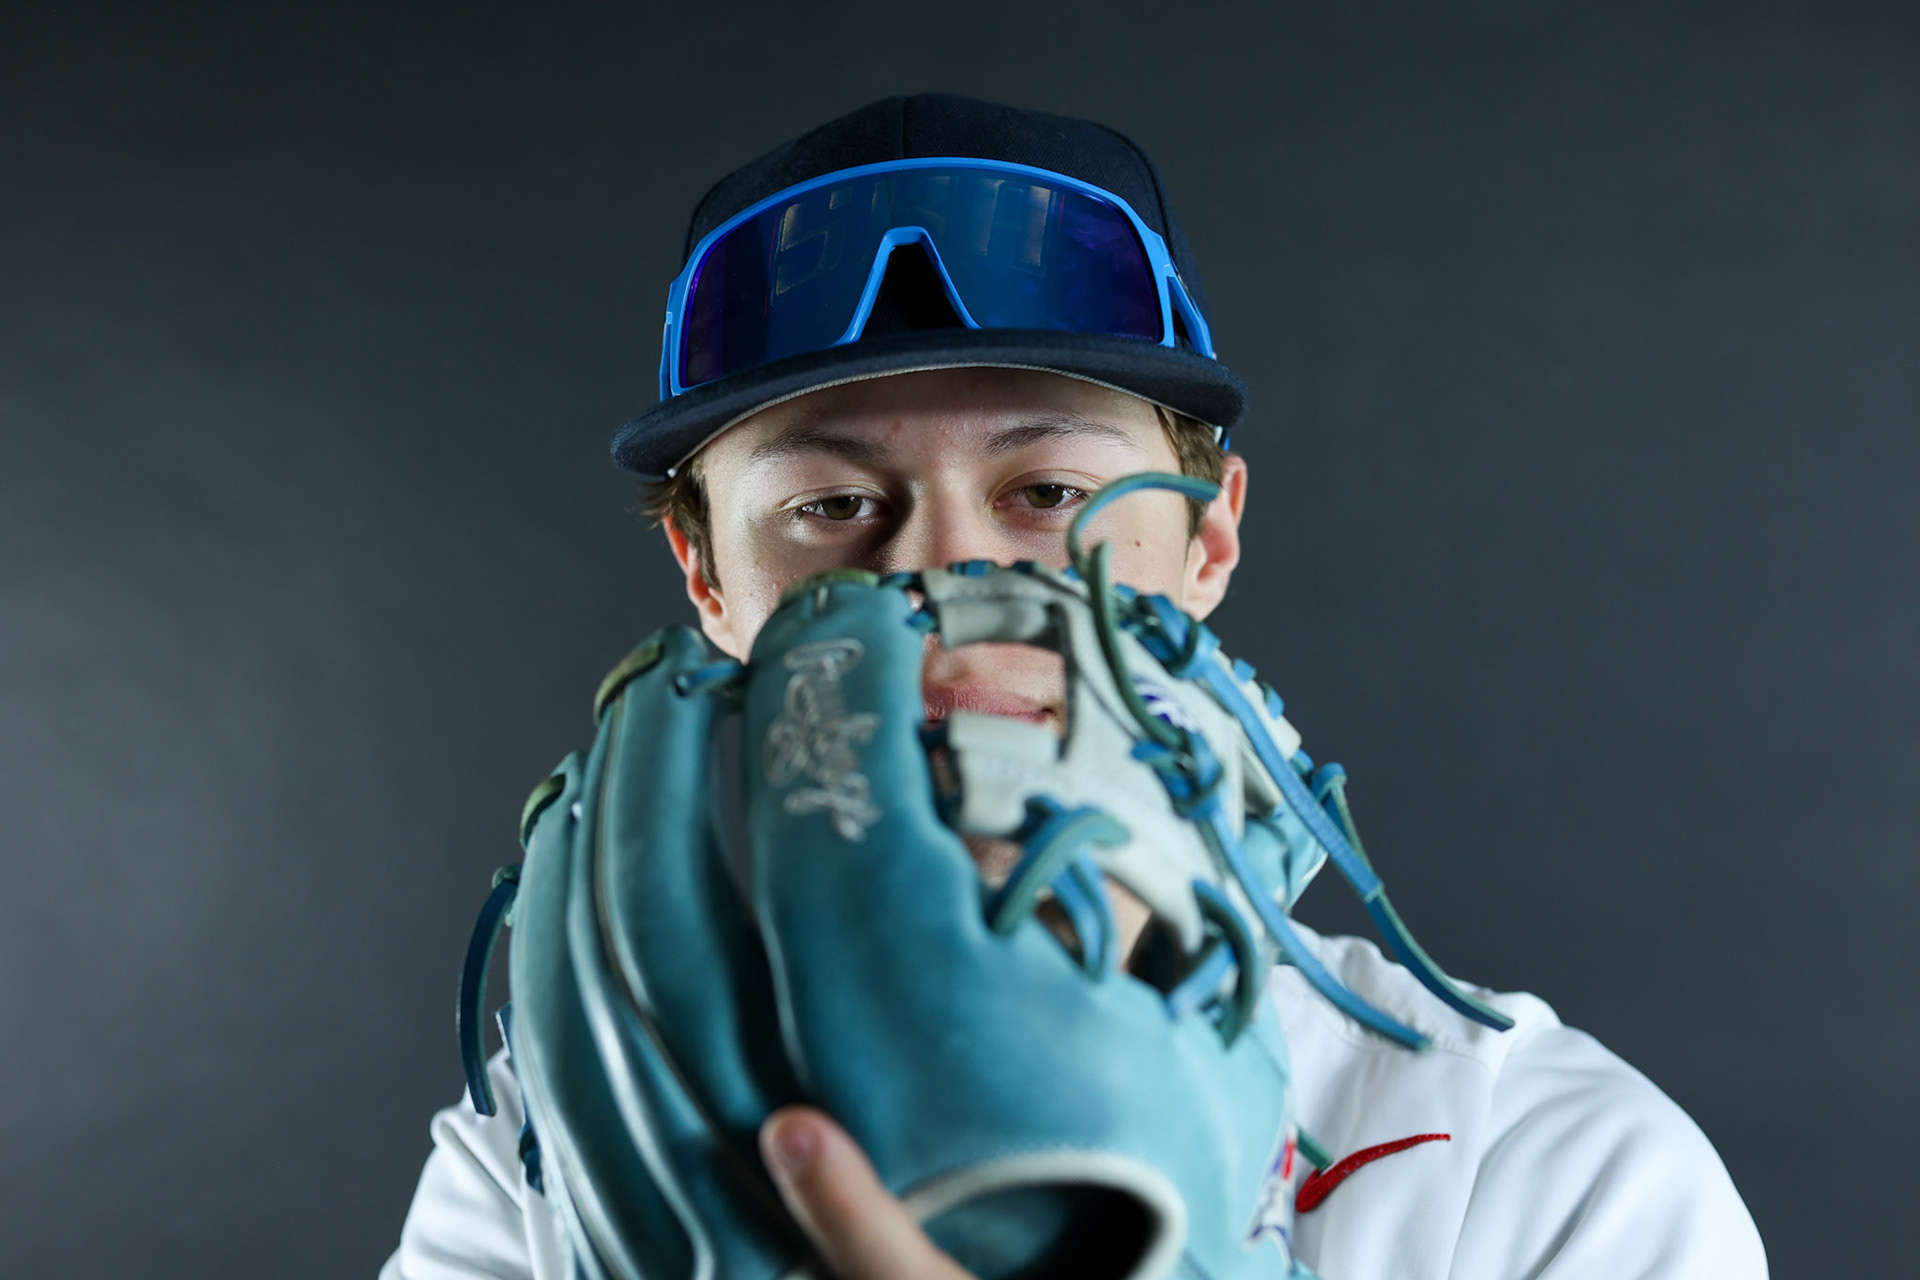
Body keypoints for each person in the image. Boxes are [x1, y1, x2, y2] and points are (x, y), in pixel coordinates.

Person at [382, 94, 1766, 1280]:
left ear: (1207, 537)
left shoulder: (1538, 1159)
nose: (943, 573)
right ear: (706, 580)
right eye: (831, 508)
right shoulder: (559, 1141)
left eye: (1047, 491)